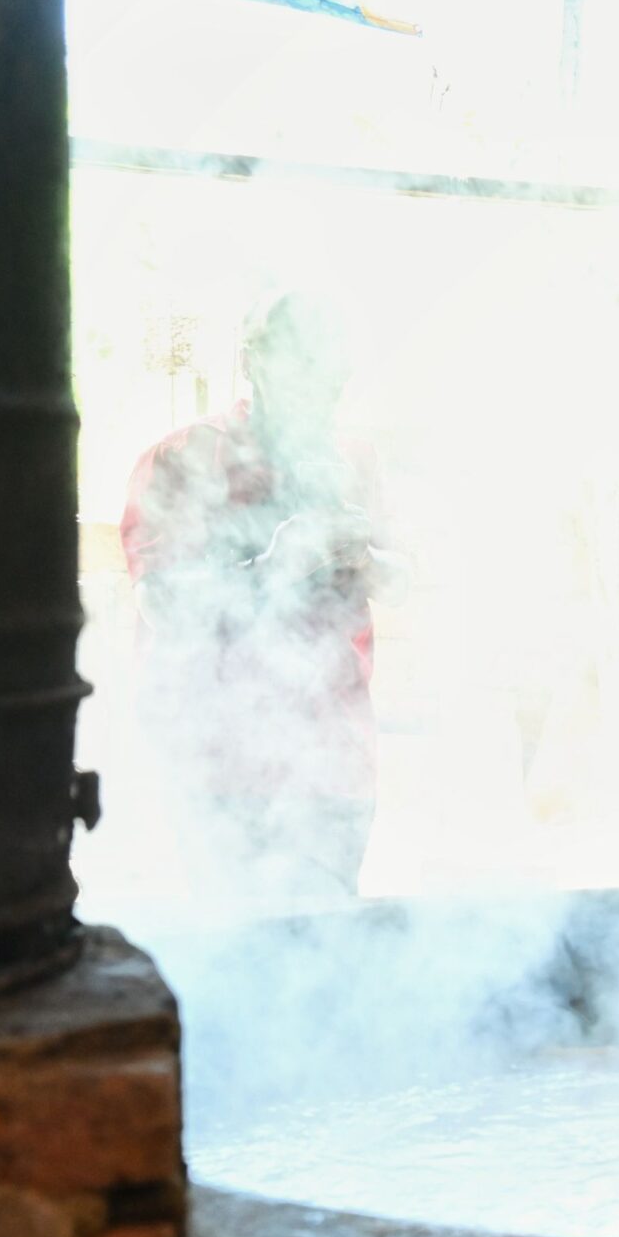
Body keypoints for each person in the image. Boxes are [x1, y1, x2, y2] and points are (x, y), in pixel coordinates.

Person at [120, 291, 394, 900]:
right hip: (220, 768)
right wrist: (279, 562)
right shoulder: (182, 460)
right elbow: (162, 603)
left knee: (326, 934)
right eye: (305, 362)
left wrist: (368, 559)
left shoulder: (353, 458)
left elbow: (402, 571)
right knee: (234, 935)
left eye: (335, 365)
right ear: (253, 361)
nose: (326, 383)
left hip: (333, 766)